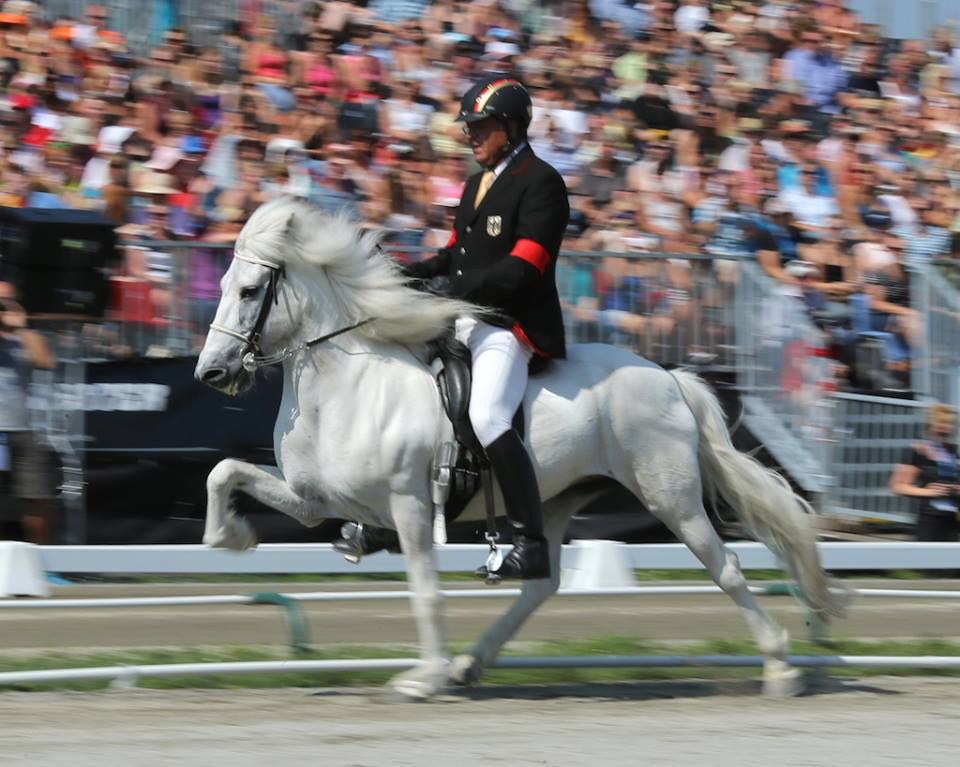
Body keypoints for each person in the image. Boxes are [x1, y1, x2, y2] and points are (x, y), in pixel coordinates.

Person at [343, 77, 569, 580]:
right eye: (468, 127)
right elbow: (453, 256)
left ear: (511, 126)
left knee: (488, 417)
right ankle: (385, 518)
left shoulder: (542, 182)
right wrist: (407, 273)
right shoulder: (475, 185)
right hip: (463, 316)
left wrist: (453, 296)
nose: (470, 135)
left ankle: (529, 542)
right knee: (397, 390)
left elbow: (525, 267)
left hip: (509, 325)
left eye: (480, 126)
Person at [0, 282, 58, 543]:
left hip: (23, 426)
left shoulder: (28, 337)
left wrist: (20, 328)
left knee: (37, 495)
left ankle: (40, 560)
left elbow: (45, 362)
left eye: (8, 300)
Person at [889, 403, 959, 544]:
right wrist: (929, 492)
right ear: (930, 425)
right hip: (930, 520)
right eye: (941, 423)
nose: (946, 427)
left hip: (952, 520)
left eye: (949, 423)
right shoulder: (918, 451)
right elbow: (897, 486)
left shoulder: (954, 452)